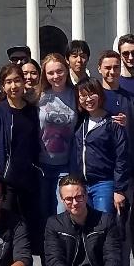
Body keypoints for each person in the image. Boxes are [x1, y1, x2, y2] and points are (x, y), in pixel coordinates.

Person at [0, 64, 42, 239]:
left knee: (29, 229)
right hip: (6, 180)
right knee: (5, 228)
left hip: (29, 178)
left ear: (24, 83)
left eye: (17, 81)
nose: (13, 86)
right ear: (3, 86)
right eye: (8, 82)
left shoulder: (32, 110)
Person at [71, 79, 129, 215]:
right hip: (82, 185)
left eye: (92, 94)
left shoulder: (112, 123)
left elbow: (122, 157)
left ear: (100, 95)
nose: (88, 99)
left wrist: (119, 189)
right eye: (83, 96)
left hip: (104, 184)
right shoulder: (81, 122)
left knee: (104, 225)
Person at [36, 53, 76, 214]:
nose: (55, 76)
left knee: (63, 213)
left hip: (66, 165)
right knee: (43, 212)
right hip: (41, 165)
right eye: (50, 73)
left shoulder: (76, 95)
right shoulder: (38, 95)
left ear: (67, 70)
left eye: (59, 71)